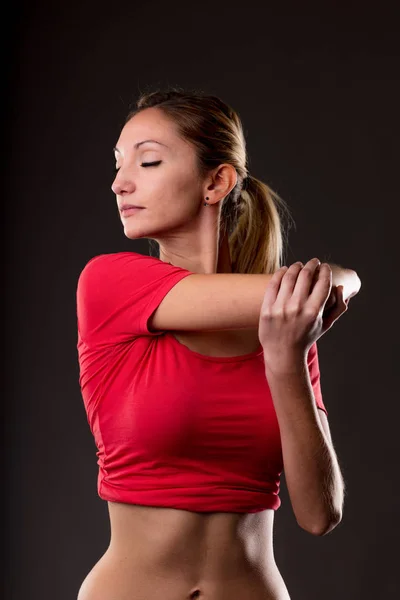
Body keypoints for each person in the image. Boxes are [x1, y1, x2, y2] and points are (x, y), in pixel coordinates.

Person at [75, 87, 360, 600]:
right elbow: (338, 282)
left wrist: (285, 360)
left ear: (216, 182)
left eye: (149, 161)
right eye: (118, 165)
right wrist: (333, 287)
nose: (119, 183)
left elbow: (320, 515)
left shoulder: (283, 326)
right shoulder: (109, 285)